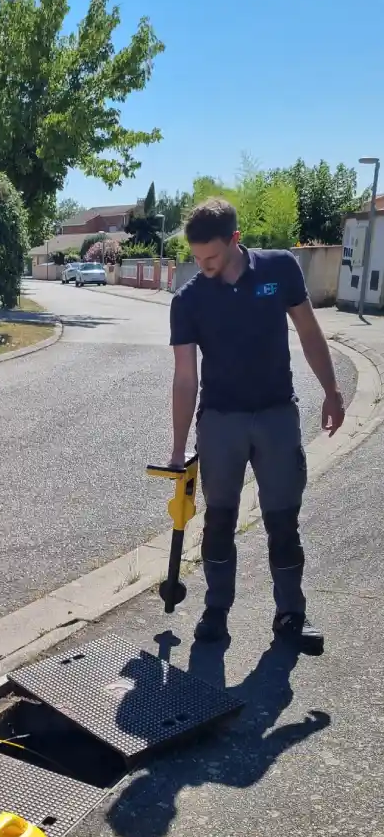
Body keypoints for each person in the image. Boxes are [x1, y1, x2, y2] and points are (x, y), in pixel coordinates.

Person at [168, 198, 345, 651]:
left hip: (276, 416)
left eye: (211, 256)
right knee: (220, 520)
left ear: (235, 240)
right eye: (196, 257)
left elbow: (308, 332)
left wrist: (331, 390)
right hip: (221, 423)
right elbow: (185, 378)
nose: (202, 266)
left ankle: (290, 616)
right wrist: (177, 447)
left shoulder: (280, 269)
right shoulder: (188, 301)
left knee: (283, 520)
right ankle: (216, 611)